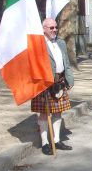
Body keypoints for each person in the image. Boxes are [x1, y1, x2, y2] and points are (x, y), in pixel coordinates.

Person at [31, 18, 74, 155]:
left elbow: (66, 62)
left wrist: (70, 79)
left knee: (58, 112)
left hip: (59, 81)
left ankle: (56, 140)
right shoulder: (38, 44)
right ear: (43, 29)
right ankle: (45, 143)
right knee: (44, 114)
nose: (54, 30)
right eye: (51, 28)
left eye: (56, 27)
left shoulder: (60, 42)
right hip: (44, 83)